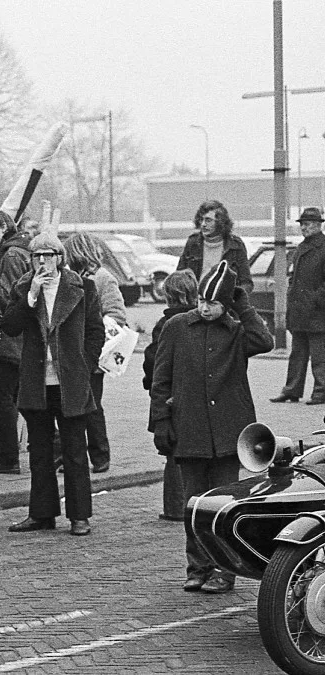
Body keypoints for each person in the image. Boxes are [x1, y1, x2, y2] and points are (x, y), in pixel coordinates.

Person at [150, 261, 274, 593]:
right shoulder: (176, 326)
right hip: (188, 431)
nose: (206, 308)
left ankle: (224, 570)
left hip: (227, 434)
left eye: (214, 303)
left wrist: (242, 304)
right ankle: (197, 566)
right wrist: (161, 424)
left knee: (223, 507)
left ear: (226, 304)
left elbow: (265, 341)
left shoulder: (236, 330)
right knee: (192, 505)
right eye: (202, 300)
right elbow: (161, 380)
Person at [0, 232, 104, 537]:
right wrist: (30, 296)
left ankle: (79, 516)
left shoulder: (82, 287)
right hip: (36, 381)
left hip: (70, 380)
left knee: (74, 450)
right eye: (37, 256)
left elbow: (95, 331)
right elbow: (10, 325)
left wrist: (85, 364)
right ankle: (41, 513)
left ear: (60, 257)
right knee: (40, 452)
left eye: (49, 255)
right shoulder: (24, 286)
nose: (43, 261)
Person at [63, 233, 127, 475]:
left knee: (91, 406)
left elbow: (116, 313)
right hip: (72, 352)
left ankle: (100, 455)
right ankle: (73, 454)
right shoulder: (72, 277)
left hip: (93, 352)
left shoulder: (102, 278)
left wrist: (93, 331)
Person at [142, 269, 198, 522]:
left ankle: (174, 507)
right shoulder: (199, 322)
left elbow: (152, 362)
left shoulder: (163, 326)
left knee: (172, 455)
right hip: (192, 396)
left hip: (167, 397)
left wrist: (150, 384)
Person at [0, 210, 32, 475]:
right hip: (22, 340)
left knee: (3, 398)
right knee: (21, 396)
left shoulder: (11, 255)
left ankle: (7, 457)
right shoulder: (22, 249)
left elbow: (9, 296)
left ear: (1, 228)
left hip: (13, 340)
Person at [272, 207, 325, 405]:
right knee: (297, 354)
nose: (304, 227)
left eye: (308, 224)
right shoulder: (302, 247)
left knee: (320, 355)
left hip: (318, 312)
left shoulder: (323, 247)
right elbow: (295, 278)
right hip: (300, 311)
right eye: (302, 224)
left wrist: (314, 299)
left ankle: (321, 391)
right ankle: (292, 390)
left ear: (319, 225)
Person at [176, 200, 252, 292]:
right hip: (195, 302)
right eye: (201, 219)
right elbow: (179, 277)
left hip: (225, 303)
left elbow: (246, 282)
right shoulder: (193, 243)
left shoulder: (235, 245)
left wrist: (234, 300)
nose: (203, 224)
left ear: (220, 222)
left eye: (208, 220)